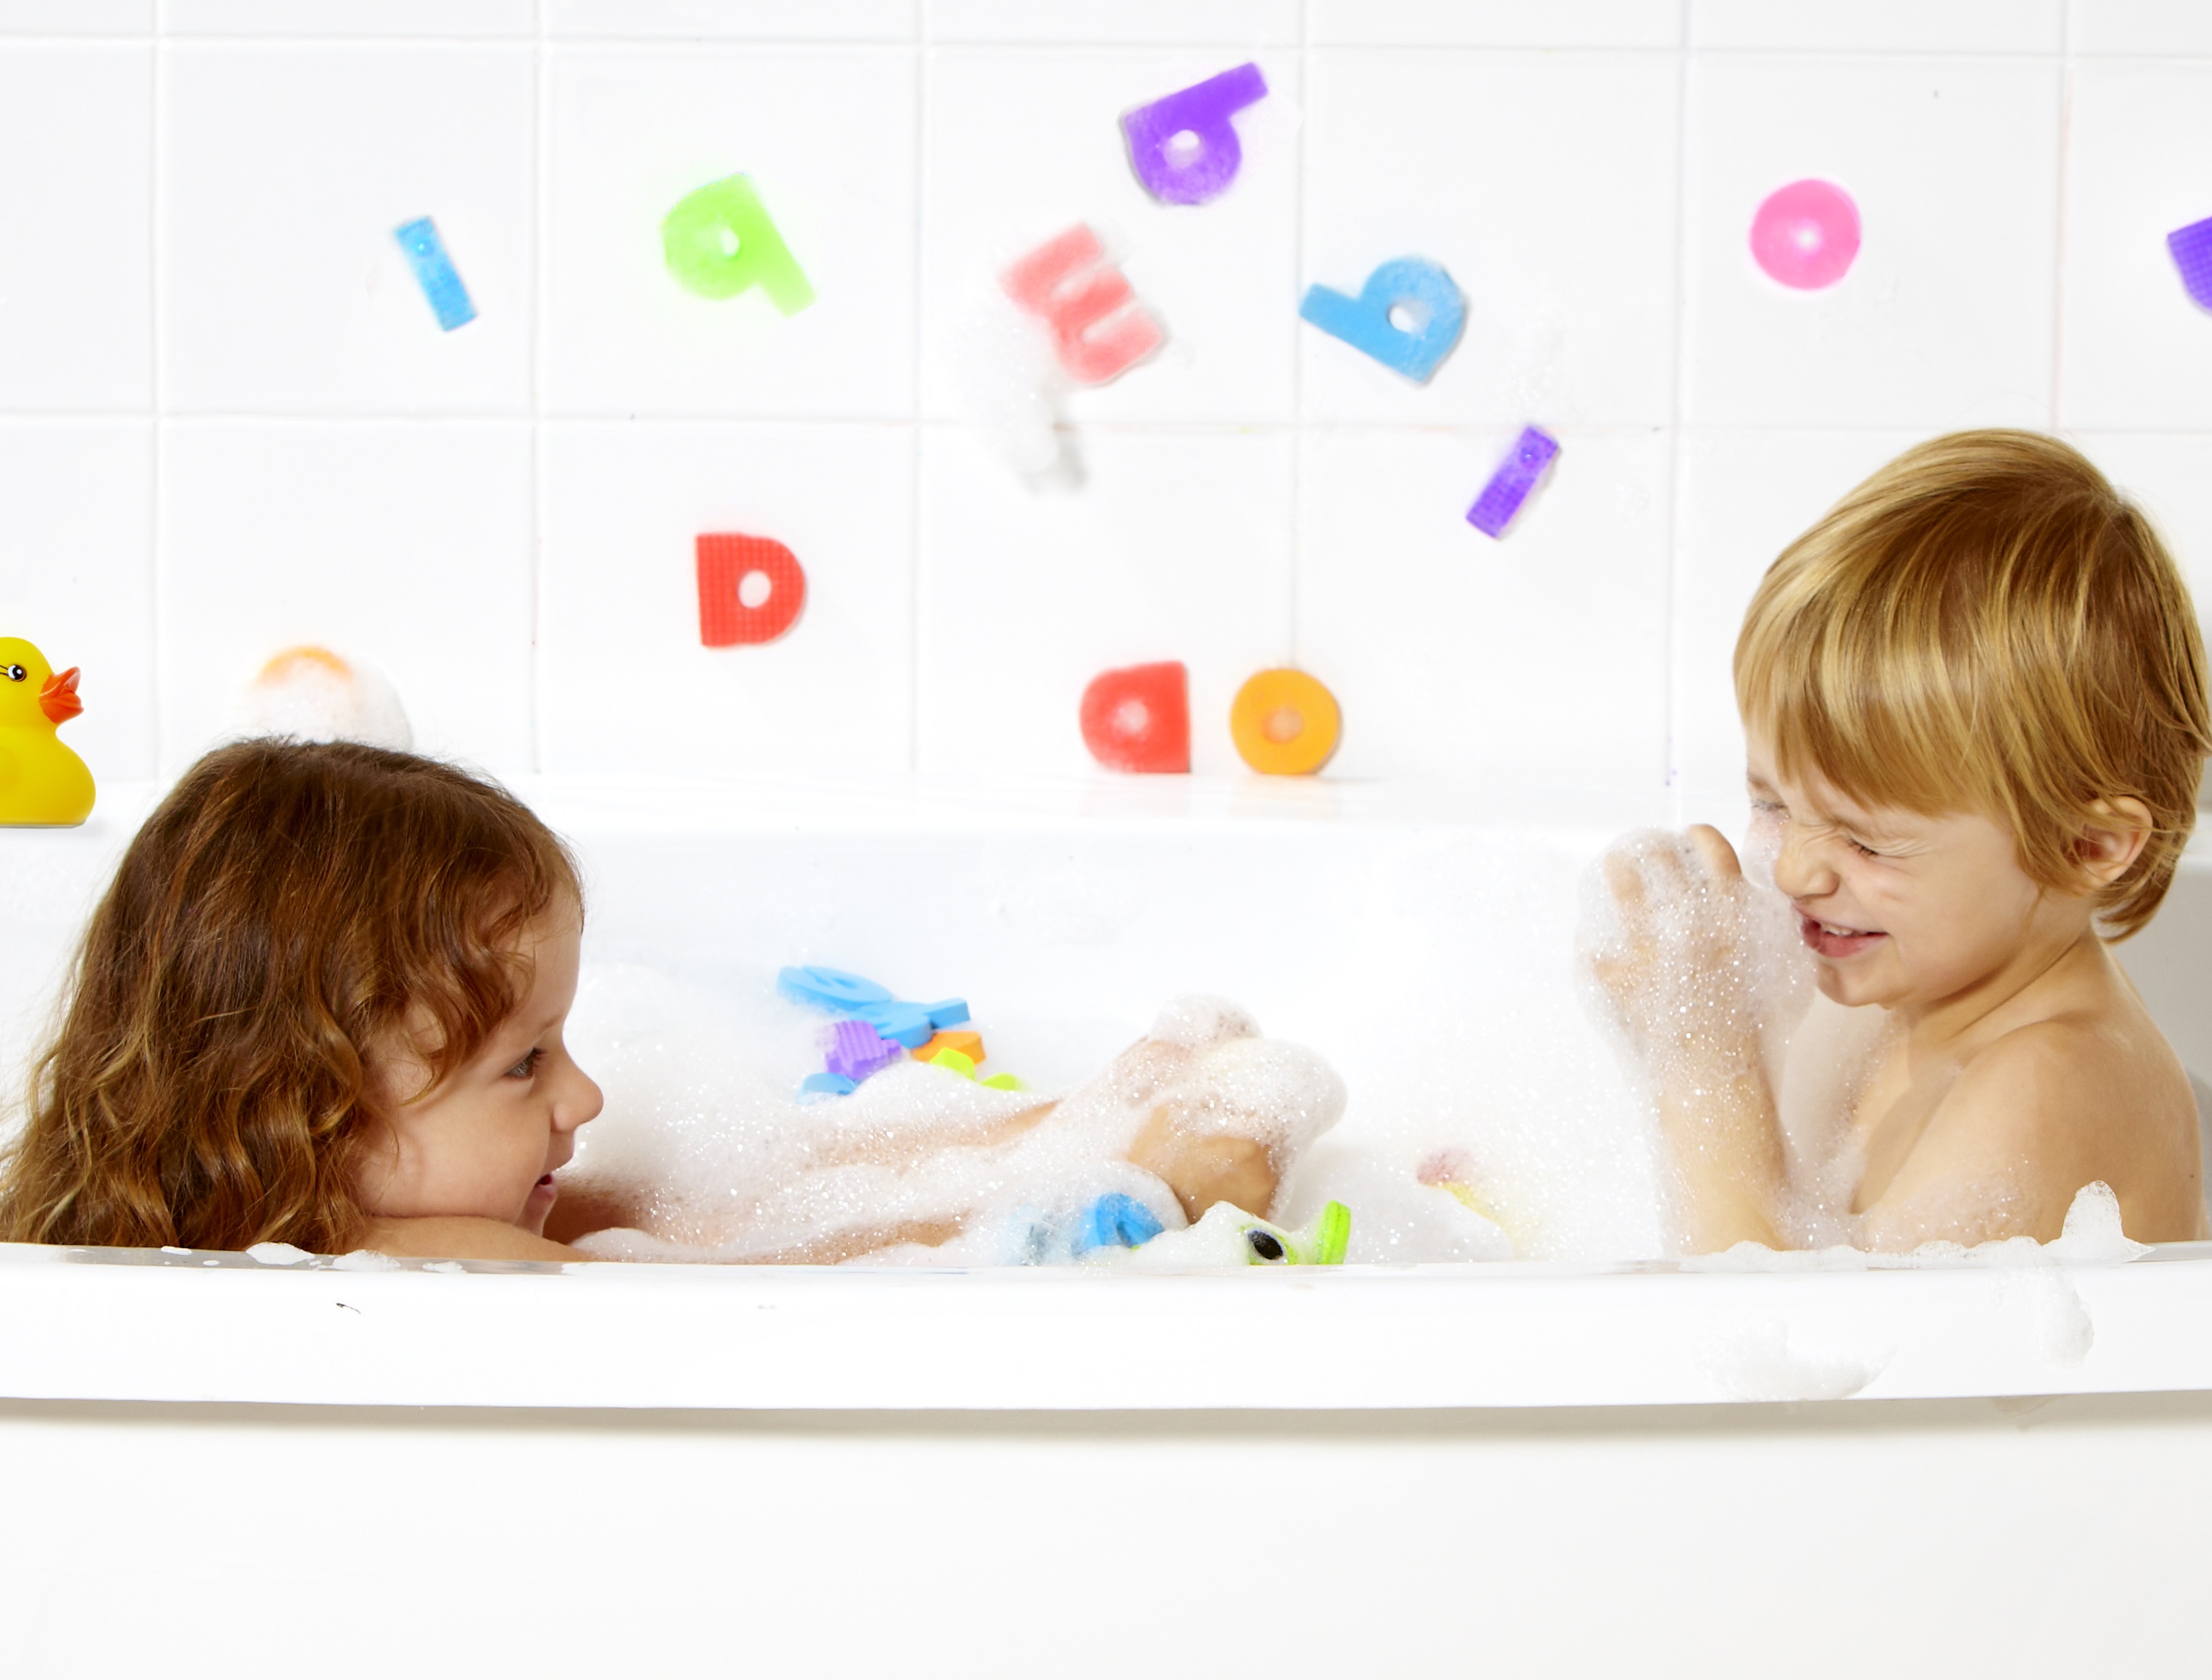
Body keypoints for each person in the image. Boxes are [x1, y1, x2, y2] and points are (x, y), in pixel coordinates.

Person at [0, 739, 1337, 1261]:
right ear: (304, 1112)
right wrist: (1095, 1225)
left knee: (683, 1198)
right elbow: (770, 1296)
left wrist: (1047, 1137)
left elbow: (738, 1206)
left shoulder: (295, 1211)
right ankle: (1127, 1179)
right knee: (732, 1229)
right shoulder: (448, 1260)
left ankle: (1075, 1126)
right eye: (525, 1065)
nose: (583, 1093)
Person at [1588, 431, 2209, 1252]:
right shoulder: (1898, 983)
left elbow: (1782, 1358)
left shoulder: (2050, 1085)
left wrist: (1702, 1063)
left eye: (1864, 842)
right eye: (1768, 802)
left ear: (2084, 846)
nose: (1793, 867)